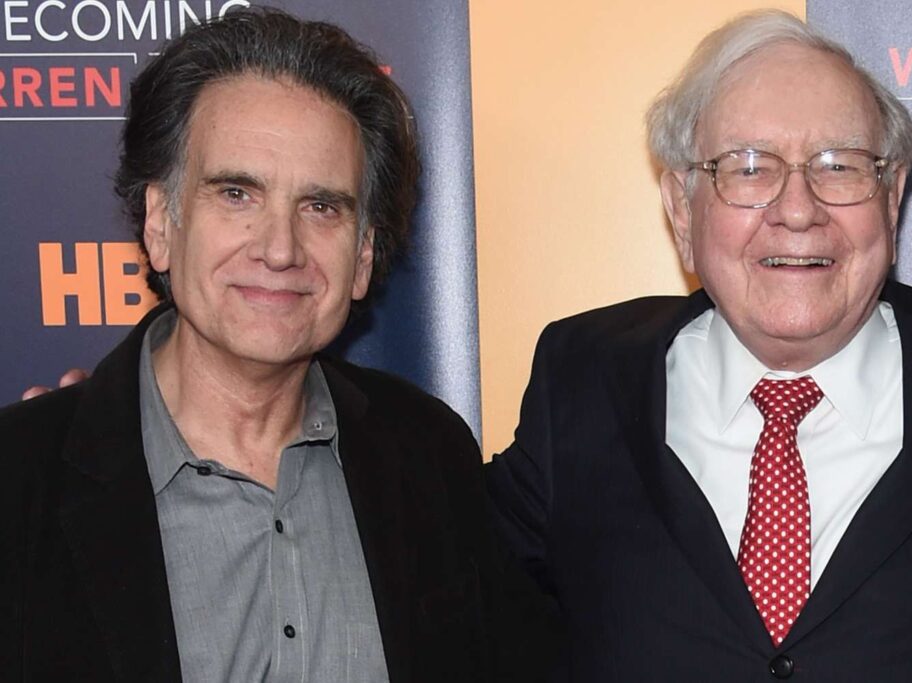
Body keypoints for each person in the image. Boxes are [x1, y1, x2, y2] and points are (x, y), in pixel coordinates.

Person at [0, 8, 551, 682]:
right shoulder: (19, 478)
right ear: (161, 223)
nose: (281, 248)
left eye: (322, 207)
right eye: (237, 193)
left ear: (363, 256)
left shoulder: (430, 456)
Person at [487, 10, 912, 682]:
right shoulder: (582, 380)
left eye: (839, 165)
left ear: (891, 199)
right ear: (681, 210)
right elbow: (448, 603)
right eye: (748, 168)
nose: (798, 210)